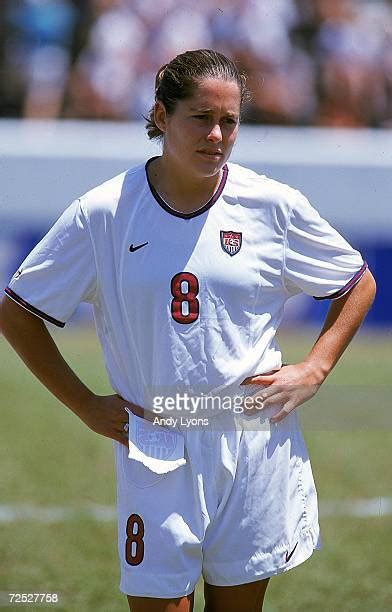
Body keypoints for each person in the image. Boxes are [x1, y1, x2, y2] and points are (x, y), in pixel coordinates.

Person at [0, 49, 376, 612]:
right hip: (155, 440)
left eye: (230, 121)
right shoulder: (103, 212)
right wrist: (83, 404)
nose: (217, 134)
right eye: (201, 117)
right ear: (161, 116)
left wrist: (314, 368)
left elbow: (356, 283)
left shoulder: (271, 205)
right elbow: (17, 310)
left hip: (252, 439)